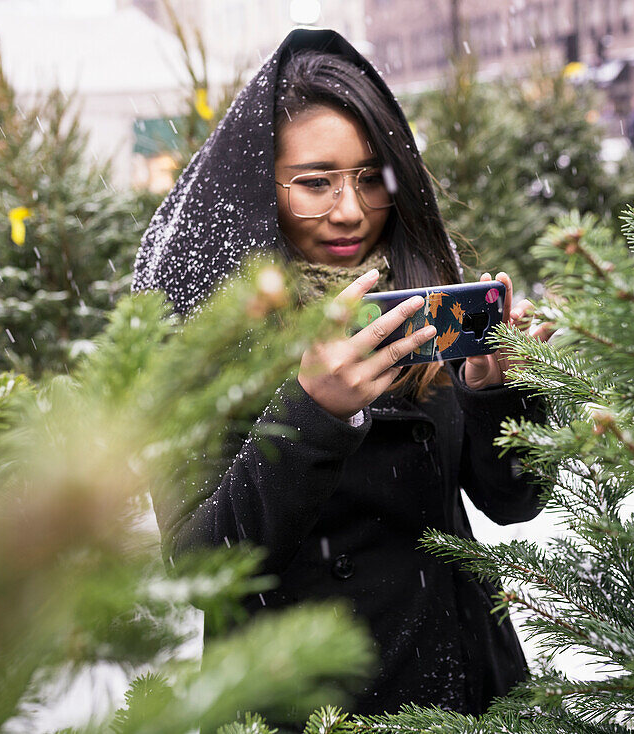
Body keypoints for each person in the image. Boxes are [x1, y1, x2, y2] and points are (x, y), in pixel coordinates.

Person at [134, 29, 553, 716]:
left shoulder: (419, 289)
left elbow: (513, 503)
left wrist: (493, 390)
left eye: (370, 178)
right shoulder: (203, 334)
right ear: (260, 190)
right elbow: (201, 566)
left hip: (464, 685)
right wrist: (313, 413)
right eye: (315, 182)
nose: (351, 210)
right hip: (307, 703)